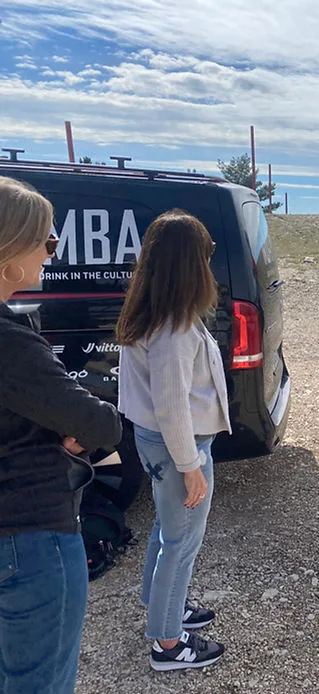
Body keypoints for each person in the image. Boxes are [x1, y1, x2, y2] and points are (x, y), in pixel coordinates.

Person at [0, 176, 123, 692]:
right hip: (30, 537)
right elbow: (100, 423)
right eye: (48, 242)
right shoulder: (9, 342)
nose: (53, 254)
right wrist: (74, 428)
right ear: (10, 253)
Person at [116, 210, 230, 671]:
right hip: (178, 447)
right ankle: (168, 643)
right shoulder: (174, 327)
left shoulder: (153, 312)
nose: (210, 265)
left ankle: (162, 603)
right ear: (190, 265)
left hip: (159, 443)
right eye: (207, 256)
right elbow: (171, 406)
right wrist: (189, 465)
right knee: (181, 542)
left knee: (168, 532)